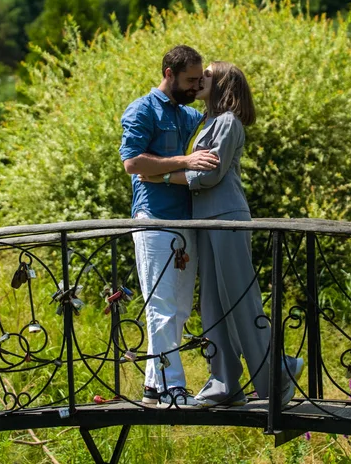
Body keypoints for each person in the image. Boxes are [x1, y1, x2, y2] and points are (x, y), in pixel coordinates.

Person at [139, 61, 304, 407]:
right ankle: (225, 382)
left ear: (223, 83)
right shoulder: (206, 122)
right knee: (212, 306)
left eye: (208, 75)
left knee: (241, 302)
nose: (201, 79)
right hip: (205, 221)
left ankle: (277, 377)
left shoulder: (228, 123)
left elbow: (208, 175)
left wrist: (162, 176)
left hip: (228, 218)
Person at [119, 45, 219, 408]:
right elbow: (132, 163)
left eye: (199, 80)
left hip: (184, 219)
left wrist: (215, 86)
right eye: (190, 80)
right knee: (161, 305)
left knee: (177, 309)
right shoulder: (142, 109)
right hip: (154, 220)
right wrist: (184, 161)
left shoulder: (188, 114)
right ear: (168, 73)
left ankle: (152, 386)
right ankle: (172, 389)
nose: (195, 86)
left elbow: (218, 121)